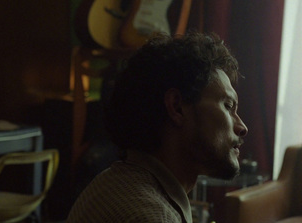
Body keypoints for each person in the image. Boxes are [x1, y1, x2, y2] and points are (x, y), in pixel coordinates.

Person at [66, 31, 248, 223]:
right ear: (177, 107)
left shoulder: (118, 180)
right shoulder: (150, 215)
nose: (242, 127)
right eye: (228, 106)